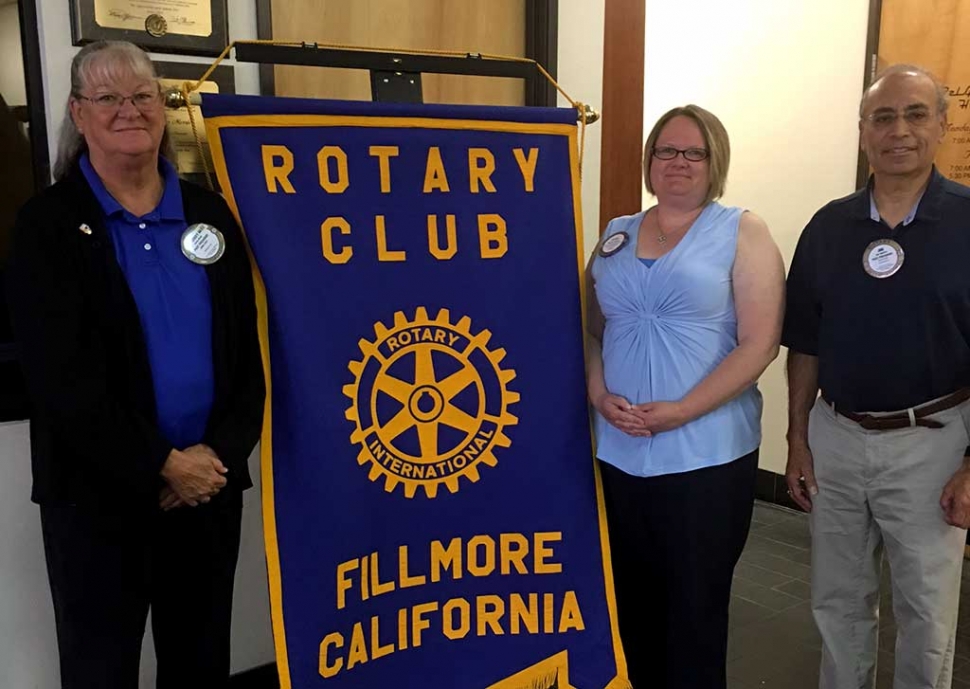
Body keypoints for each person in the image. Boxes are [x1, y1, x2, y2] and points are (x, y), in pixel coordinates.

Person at [5, 41, 264, 689]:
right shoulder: (48, 225)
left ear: (164, 109)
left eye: (143, 95)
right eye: (108, 97)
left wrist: (214, 461)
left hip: (206, 490)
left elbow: (244, 360)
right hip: (97, 500)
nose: (129, 110)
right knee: (101, 668)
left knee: (200, 662)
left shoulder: (209, 215)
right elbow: (60, 379)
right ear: (78, 113)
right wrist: (162, 461)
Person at [784, 64, 970, 689]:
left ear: (942, 126)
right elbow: (804, 343)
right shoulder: (828, 227)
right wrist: (798, 439)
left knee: (925, 611)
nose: (899, 131)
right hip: (835, 436)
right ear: (863, 131)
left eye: (915, 114)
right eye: (882, 117)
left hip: (934, 441)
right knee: (837, 600)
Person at [587, 104, 785, 689]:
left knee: (693, 608)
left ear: (713, 161)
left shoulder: (742, 230)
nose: (678, 163)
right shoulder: (615, 231)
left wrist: (682, 410)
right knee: (629, 600)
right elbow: (591, 329)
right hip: (618, 450)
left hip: (705, 453)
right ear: (650, 161)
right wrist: (598, 393)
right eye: (665, 151)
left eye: (692, 152)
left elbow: (760, 344)